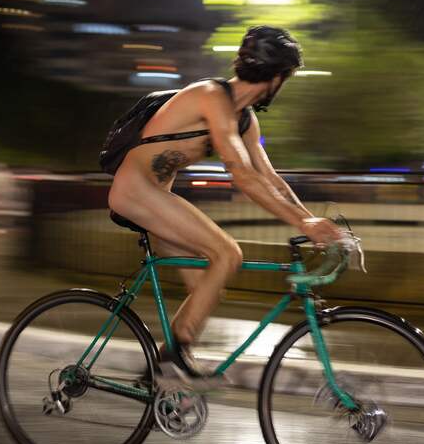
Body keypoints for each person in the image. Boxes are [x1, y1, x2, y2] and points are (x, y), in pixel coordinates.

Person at [107, 25, 345, 383]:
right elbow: (242, 175)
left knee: (208, 288)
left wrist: (312, 222)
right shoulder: (210, 95)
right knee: (227, 254)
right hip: (135, 192)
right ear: (276, 78)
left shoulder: (244, 120)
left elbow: (270, 179)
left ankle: (156, 376)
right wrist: (302, 224)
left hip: (157, 199)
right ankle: (173, 357)